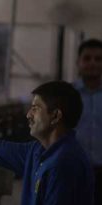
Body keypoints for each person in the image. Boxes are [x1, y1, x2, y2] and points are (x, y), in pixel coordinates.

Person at [73, 38, 102, 205]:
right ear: (78, 62)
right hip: (73, 173)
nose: (93, 63)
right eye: (87, 58)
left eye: (98, 59)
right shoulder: (67, 96)